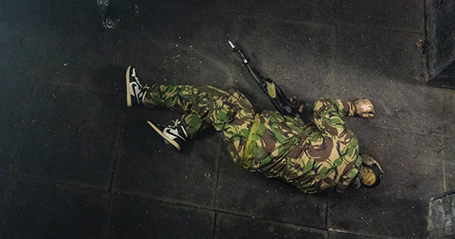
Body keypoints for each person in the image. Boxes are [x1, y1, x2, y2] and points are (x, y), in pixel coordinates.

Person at [124, 66, 383, 194]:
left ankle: (142, 95)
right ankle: (181, 131)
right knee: (231, 97)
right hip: (250, 159)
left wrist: (352, 107)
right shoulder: (325, 189)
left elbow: (323, 108)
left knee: (212, 99)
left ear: (366, 162)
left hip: (256, 133)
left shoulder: (349, 146)